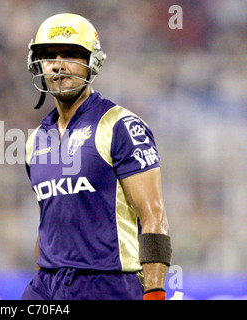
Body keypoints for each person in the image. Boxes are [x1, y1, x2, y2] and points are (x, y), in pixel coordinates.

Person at [22, 13, 172, 300]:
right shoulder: (34, 141)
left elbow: (154, 217)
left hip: (107, 284)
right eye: (49, 55)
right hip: (47, 285)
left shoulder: (121, 126)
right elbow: (48, 224)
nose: (58, 64)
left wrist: (155, 293)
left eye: (70, 54)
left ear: (93, 62)